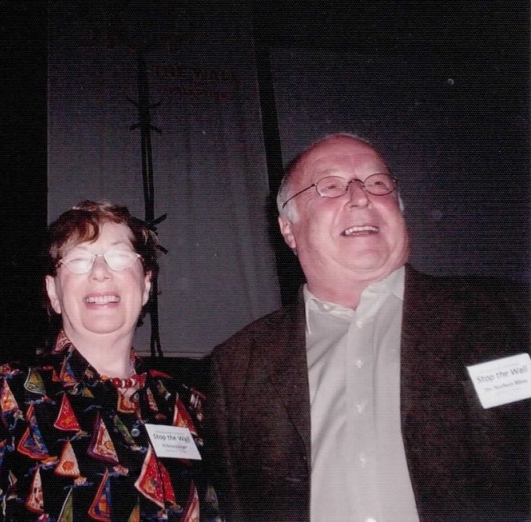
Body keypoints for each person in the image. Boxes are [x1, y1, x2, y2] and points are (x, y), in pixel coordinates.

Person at [206, 133, 530, 521]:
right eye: (329, 186)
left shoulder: (510, 315)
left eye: (378, 184)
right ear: (288, 230)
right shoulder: (239, 366)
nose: (361, 197)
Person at [0, 200, 221, 521]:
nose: (100, 272)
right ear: (54, 292)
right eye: (79, 260)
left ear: (145, 286)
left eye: (118, 257)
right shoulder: (5, 396)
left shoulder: (193, 407)